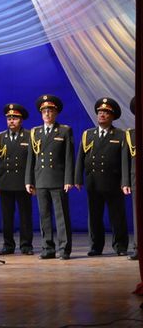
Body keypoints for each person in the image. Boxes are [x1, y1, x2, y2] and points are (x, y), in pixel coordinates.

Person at [75, 98, 129, 257]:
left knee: (117, 216)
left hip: (113, 182)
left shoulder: (120, 135)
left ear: (112, 116)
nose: (102, 115)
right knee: (94, 217)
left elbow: (125, 161)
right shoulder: (88, 134)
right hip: (93, 182)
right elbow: (80, 158)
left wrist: (125, 182)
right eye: (100, 112)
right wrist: (77, 178)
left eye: (106, 112)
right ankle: (96, 246)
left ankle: (120, 246)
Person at [26, 94, 74, 260]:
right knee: (44, 216)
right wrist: (29, 180)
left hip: (58, 179)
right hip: (40, 179)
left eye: (50, 111)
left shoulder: (64, 130)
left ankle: (64, 249)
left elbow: (69, 157)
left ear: (56, 113)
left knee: (61, 216)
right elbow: (31, 158)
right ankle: (47, 248)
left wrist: (68, 180)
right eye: (44, 111)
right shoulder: (35, 132)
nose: (47, 114)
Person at [0, 104, 34, 256]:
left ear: (21, 120)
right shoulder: (0, 137)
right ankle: (8, 245)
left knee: (25, 216)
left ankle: (26, 245)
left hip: (23, 182)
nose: (11, 121)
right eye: (9, 118)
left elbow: (32, 162)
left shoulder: (29, 136)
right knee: (7, 217)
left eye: (15, 118)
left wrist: (32, 182)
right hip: (6, 182)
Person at [123, 97, 137, 260]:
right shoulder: (130, 134)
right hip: (136, 180)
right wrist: (125, 181)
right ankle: (138, 247)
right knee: (137, 215)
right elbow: (125, 160)